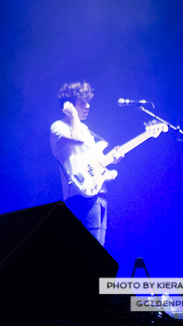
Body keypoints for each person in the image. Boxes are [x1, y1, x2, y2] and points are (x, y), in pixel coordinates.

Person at [49, 81, 120, 246]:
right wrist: (74, 116)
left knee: (100, 251)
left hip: (98, 194)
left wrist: (112, 158)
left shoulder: (85, 130)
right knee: (89, 252)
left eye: (88, 102)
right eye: (82, 103)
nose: (88, 106)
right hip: (79, 197)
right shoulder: (58, 127)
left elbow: (96, 162)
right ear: (69, 106)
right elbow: (78, 141)